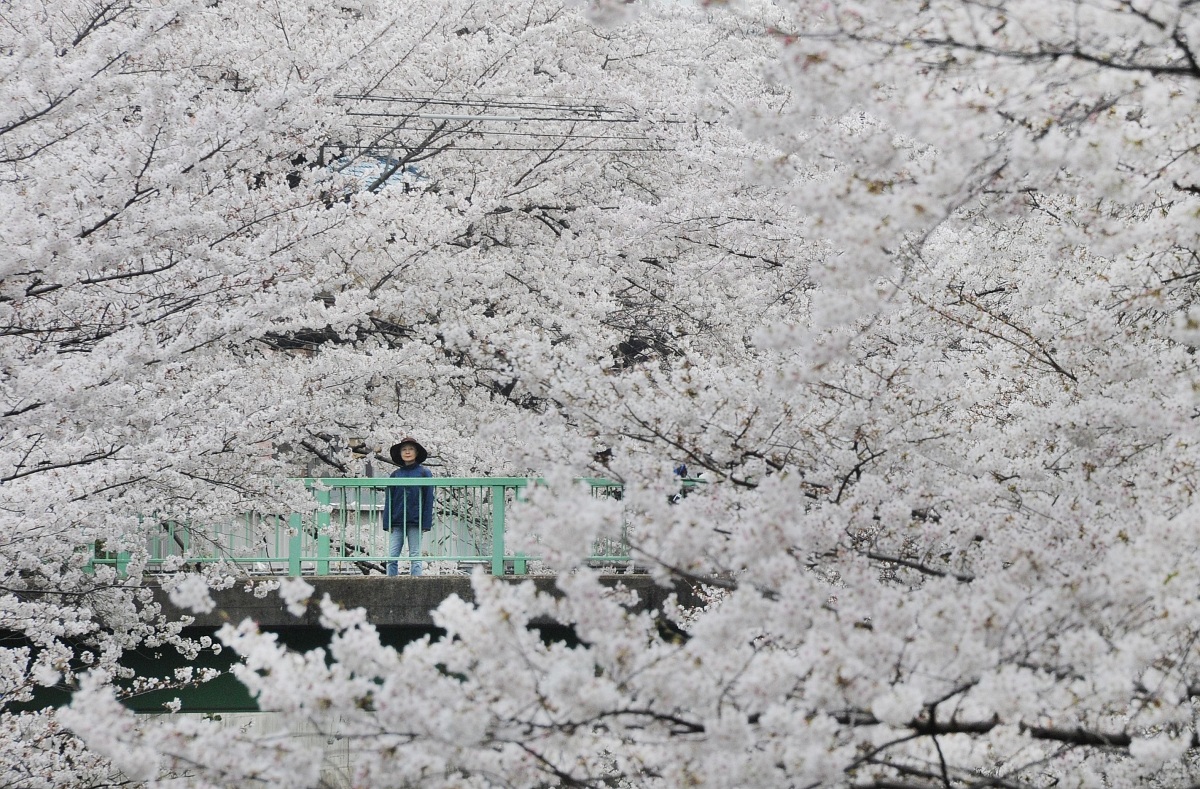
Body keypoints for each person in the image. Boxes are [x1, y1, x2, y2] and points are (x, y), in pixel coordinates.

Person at [383, 437, 434, 576]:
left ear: (416, 452)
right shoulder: (395, 475)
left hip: (416, 521)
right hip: (397, 520)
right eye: (404, 449)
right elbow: (389, 499)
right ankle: (391, 584)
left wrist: (426, 522)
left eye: (411, 449)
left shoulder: (424, 473)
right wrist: (387, 522)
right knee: (392, 556)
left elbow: (429, 499)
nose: (407, 452)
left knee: (415, 556)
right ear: (400, 453)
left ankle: (416, 585)